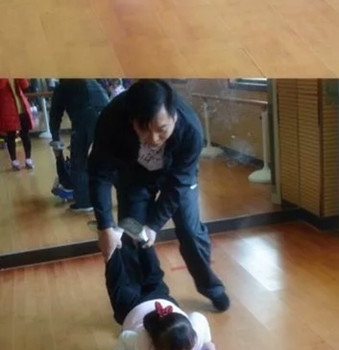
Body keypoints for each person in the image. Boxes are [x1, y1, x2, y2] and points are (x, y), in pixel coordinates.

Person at [88, 79, 230, 312]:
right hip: (134, 179)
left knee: (191, 232)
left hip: (177, 179)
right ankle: (144, 299)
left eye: (162, 129)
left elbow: (178, 184)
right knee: (132, 234)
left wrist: (154, 225)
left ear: (174, 117)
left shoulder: (191, 129)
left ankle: (211, 287)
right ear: (132, 120)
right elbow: (99, 173)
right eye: (144, 129)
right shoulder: (112, 119)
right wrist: (104, 226)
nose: (153, 138)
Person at [107, 238, 216, 350]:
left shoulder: (194, 341)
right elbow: (124, 337)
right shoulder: (144, 349)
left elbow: (199, 317)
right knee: (142, 276)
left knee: (147, 276)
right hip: (132, 307)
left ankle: (138, 240)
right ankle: (129, 244)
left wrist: (206, 341)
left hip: (160, 301)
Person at [48, 79, 110, 213]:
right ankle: (124, 196)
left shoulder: (62, 87)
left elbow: (55, 115)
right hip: (108, 115)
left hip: (85, 117)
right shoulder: (92, 81)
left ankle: (84, 202)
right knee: (109, 158)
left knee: (79, 161)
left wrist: (55, 138)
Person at [0, 79, 33, 171]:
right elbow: (1, 86)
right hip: (8, 109)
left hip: (22, 108)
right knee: (11, 135)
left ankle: (28, 159)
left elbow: (25, 86)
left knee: (25, 134)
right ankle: (14, 160)